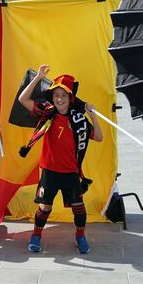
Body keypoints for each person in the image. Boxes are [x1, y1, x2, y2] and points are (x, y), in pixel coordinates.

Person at [17, 65, 103, 255]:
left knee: (78, 206)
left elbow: (98, 137)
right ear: (52, 97)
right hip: (49, 170)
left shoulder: (78, 119)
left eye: (63, 96)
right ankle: (36, 235)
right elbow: (23, 99)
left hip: (71, 172)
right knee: (45, 206)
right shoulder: (47, 113)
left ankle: (80, 236)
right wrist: (38, 78)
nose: (59, 99)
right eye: (56, 95)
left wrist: (93, 116)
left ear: (70, 98)